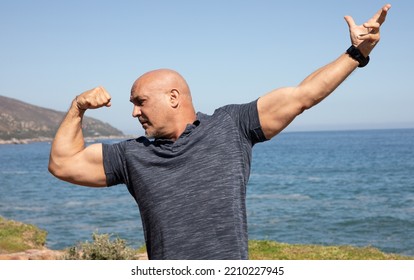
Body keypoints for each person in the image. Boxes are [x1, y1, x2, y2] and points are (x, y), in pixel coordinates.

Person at [48, 4, 391, 260]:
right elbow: (63, 163)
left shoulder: (231, 126)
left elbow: (303, 95)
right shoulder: (132, 155)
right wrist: (78, 107)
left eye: (140, 101)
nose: (134, 111)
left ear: (173, 98)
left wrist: (357, 53)